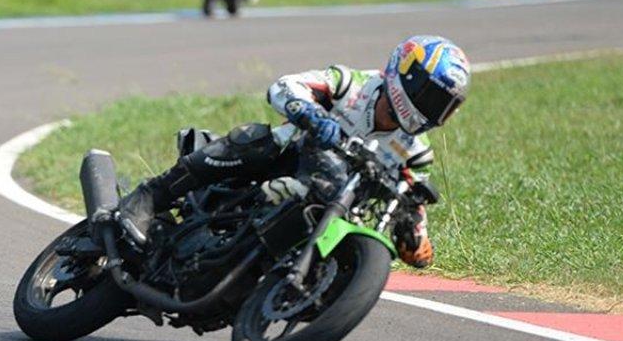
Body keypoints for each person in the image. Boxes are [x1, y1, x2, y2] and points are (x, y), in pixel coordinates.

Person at [119, 35, 472, 269]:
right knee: (256, 139)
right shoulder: (352, 84)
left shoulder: (415, 153)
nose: (432, 110)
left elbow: (413, 203)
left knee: (353, 255)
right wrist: (312, 114)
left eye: (444, 105)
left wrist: (416, 238)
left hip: (334, 204)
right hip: (283, 161)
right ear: (405, 75)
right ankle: (151, 195)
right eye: (430, 97)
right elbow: (285, 86)